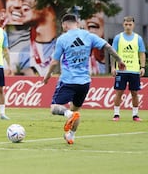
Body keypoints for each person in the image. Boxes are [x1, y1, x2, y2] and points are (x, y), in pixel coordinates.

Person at [43, 13, 126, 145]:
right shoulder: (88, 35)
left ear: (65, 25)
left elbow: (54, 62)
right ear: (77, 23)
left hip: (68, 81)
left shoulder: (63, 39)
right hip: (84, 82)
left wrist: (47, 77)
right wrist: (119, 60)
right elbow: (107, 47)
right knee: (76, 110)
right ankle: (71, 136)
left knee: (55, 108)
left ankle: (68, 115)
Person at [110, 16, 146, 121]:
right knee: (119, 92)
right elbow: (113, 53)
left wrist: (142, 67)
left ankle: (135, 115)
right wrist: (113, 67)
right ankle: (116, 114)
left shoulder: (138, 38)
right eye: (126, 24)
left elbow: (142, 54)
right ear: (123, 25)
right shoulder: (118, 38)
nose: (128, 26)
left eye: (130, 24)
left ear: (133, 25)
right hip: (121, 70)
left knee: (134, 93)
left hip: (134, 70)